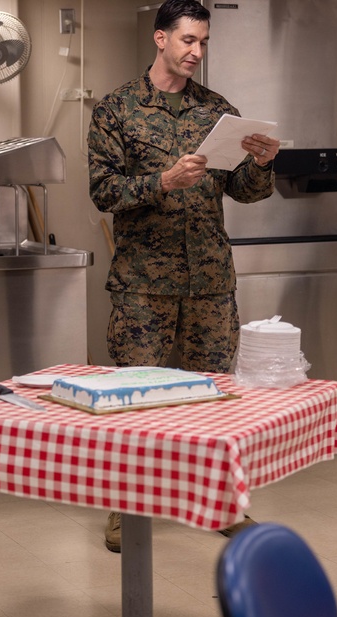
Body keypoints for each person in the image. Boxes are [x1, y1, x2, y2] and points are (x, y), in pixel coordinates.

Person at [87, 0, 280, 551]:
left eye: (203, 42)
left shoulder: (216, 110)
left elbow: (243, 190)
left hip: (210, 283)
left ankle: (221, 504)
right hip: (143, 285)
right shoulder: (116, 109)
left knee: (213, 400)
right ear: (160, 39)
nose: (196, 52)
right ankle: (125, 510)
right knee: (136, 403)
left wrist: (261, 164)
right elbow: (103, 192)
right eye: (188, 40)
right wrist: (162, 182)